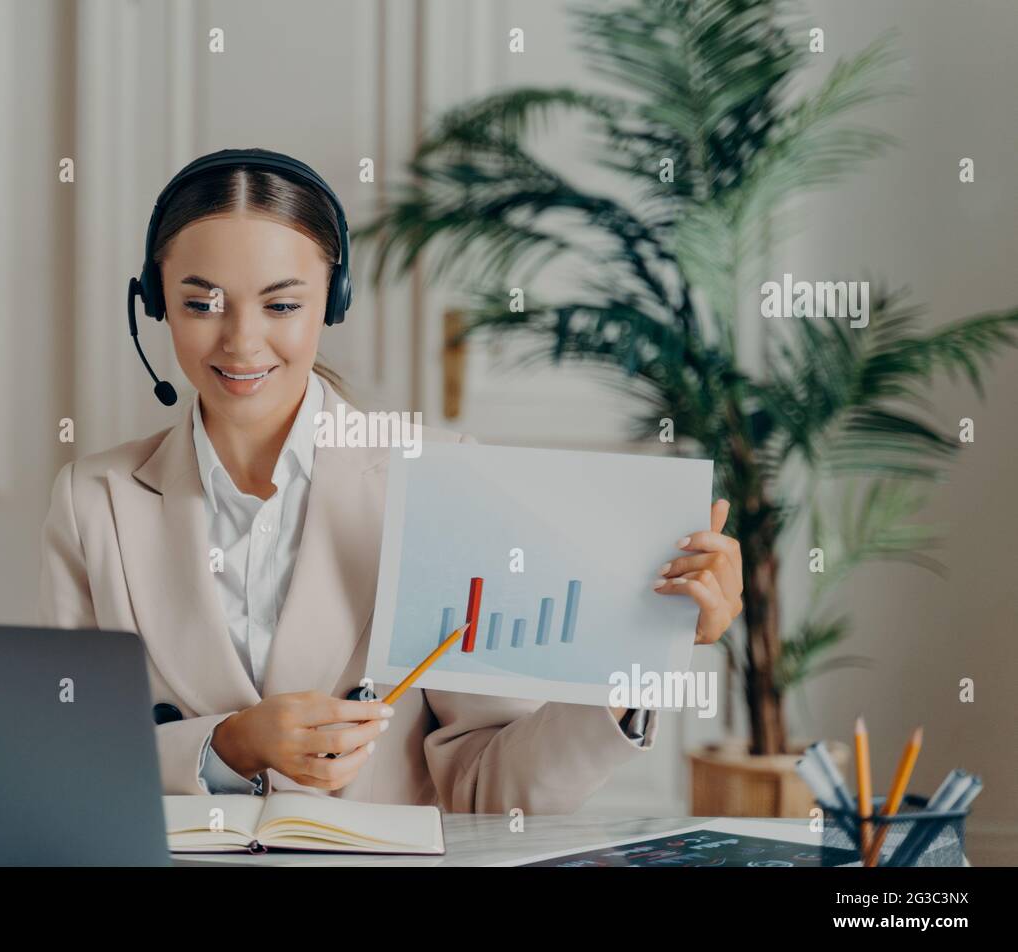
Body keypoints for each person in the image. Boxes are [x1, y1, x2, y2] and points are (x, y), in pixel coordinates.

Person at [38, 148, 744, 814]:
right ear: (155, 303)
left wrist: (632, 662)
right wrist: (228, 746)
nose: (242, 340)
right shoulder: (93, 502)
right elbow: (65, 762)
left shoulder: (438, 480)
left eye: (282, 305)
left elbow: (491, 785)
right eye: (202, 303)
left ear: (332, 300)